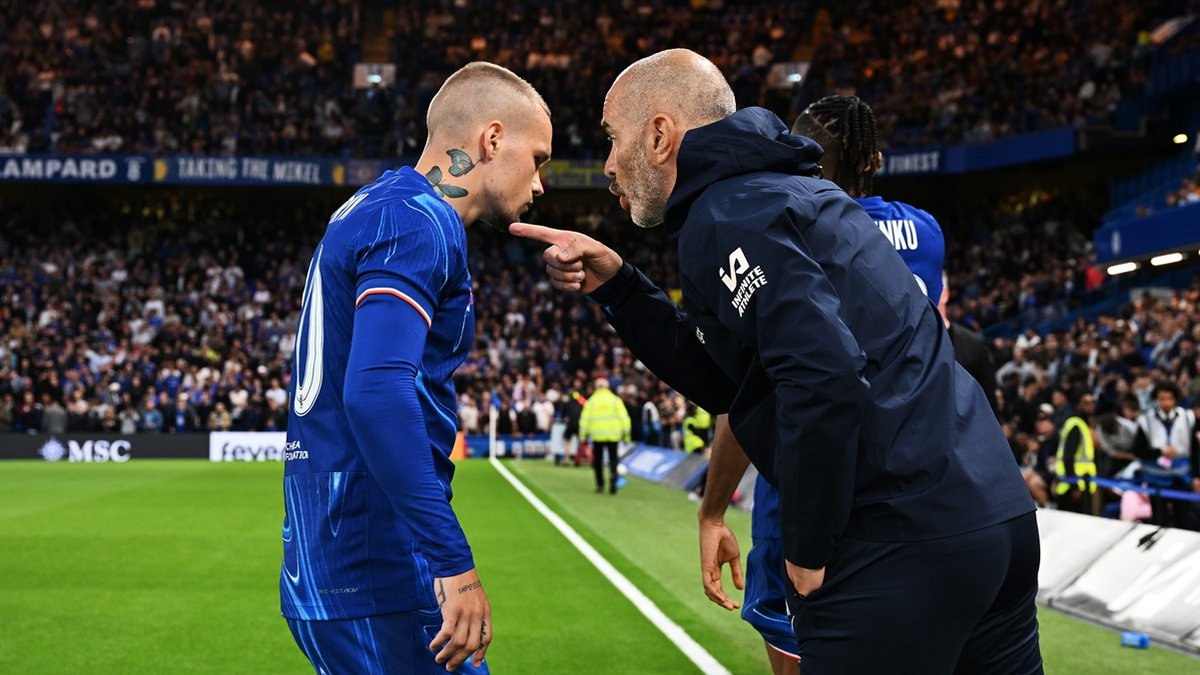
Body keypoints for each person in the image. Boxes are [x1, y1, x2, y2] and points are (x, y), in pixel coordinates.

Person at [511, 48, 1040, 674]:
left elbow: (824, 373)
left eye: (612, 138)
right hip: (996, 520)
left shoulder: (727, 214)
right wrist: (621, 287)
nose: (608, 164)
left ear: (658, 136)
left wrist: (807, 545)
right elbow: (733, 385)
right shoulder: (796, 194)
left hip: (897, 537)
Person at [281, 61, 551, 674]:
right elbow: (376, 393)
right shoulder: (418, 221)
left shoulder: (374, 206)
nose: (539, 184)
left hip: (331, 546)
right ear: (492, 139)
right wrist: (453, 562)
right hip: (378, 559)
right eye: (537, 158)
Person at [695, 93, 952, 673]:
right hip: (916, 483)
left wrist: (712, 510)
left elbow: (758, 389)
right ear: (876, 159)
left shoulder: (784, 224)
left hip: (808, 493)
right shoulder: (926, 232)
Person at [578, 377, 631, 493]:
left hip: (597, 436)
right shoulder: (615, 400)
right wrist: (626, 435)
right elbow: (625, 419)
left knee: (598, 461)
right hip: (613, 436)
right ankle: (613, 478)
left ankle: (600, 485)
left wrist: (583, 436)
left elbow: (584, 420)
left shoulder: (591, 401)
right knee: (613, 459)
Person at [1053, 392, 1098, 513]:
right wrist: (1075, 487)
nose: (1091, 405)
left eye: (1092, 402)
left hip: (1080, 482)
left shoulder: (1080, 423)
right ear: (1078, 404)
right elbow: (1068, 457)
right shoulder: (1076, 425)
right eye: (1086, 402)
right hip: (1075, 485)